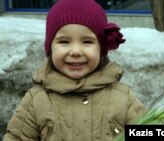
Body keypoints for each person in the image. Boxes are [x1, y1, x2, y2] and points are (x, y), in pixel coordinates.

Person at [3, 0, 146, 140]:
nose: (76, 51)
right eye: (64, 42)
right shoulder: (37, 100)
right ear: (50, 48)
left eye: (87, 42)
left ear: (101, 49)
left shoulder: (122, 98)